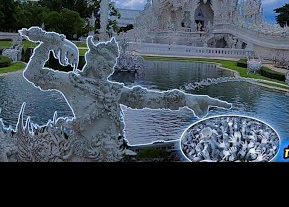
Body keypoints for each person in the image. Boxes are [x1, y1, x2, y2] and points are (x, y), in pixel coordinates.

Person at [19, 26, 231, 161]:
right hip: (83, 153)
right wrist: (47, 44)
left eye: (112, 64)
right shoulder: (73, 82)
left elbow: (149, 98)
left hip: (113, 152)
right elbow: (33, 74)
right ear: (93, 59)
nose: (110, 67)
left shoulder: (114, 90)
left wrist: (186, 98)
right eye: (106, 61)